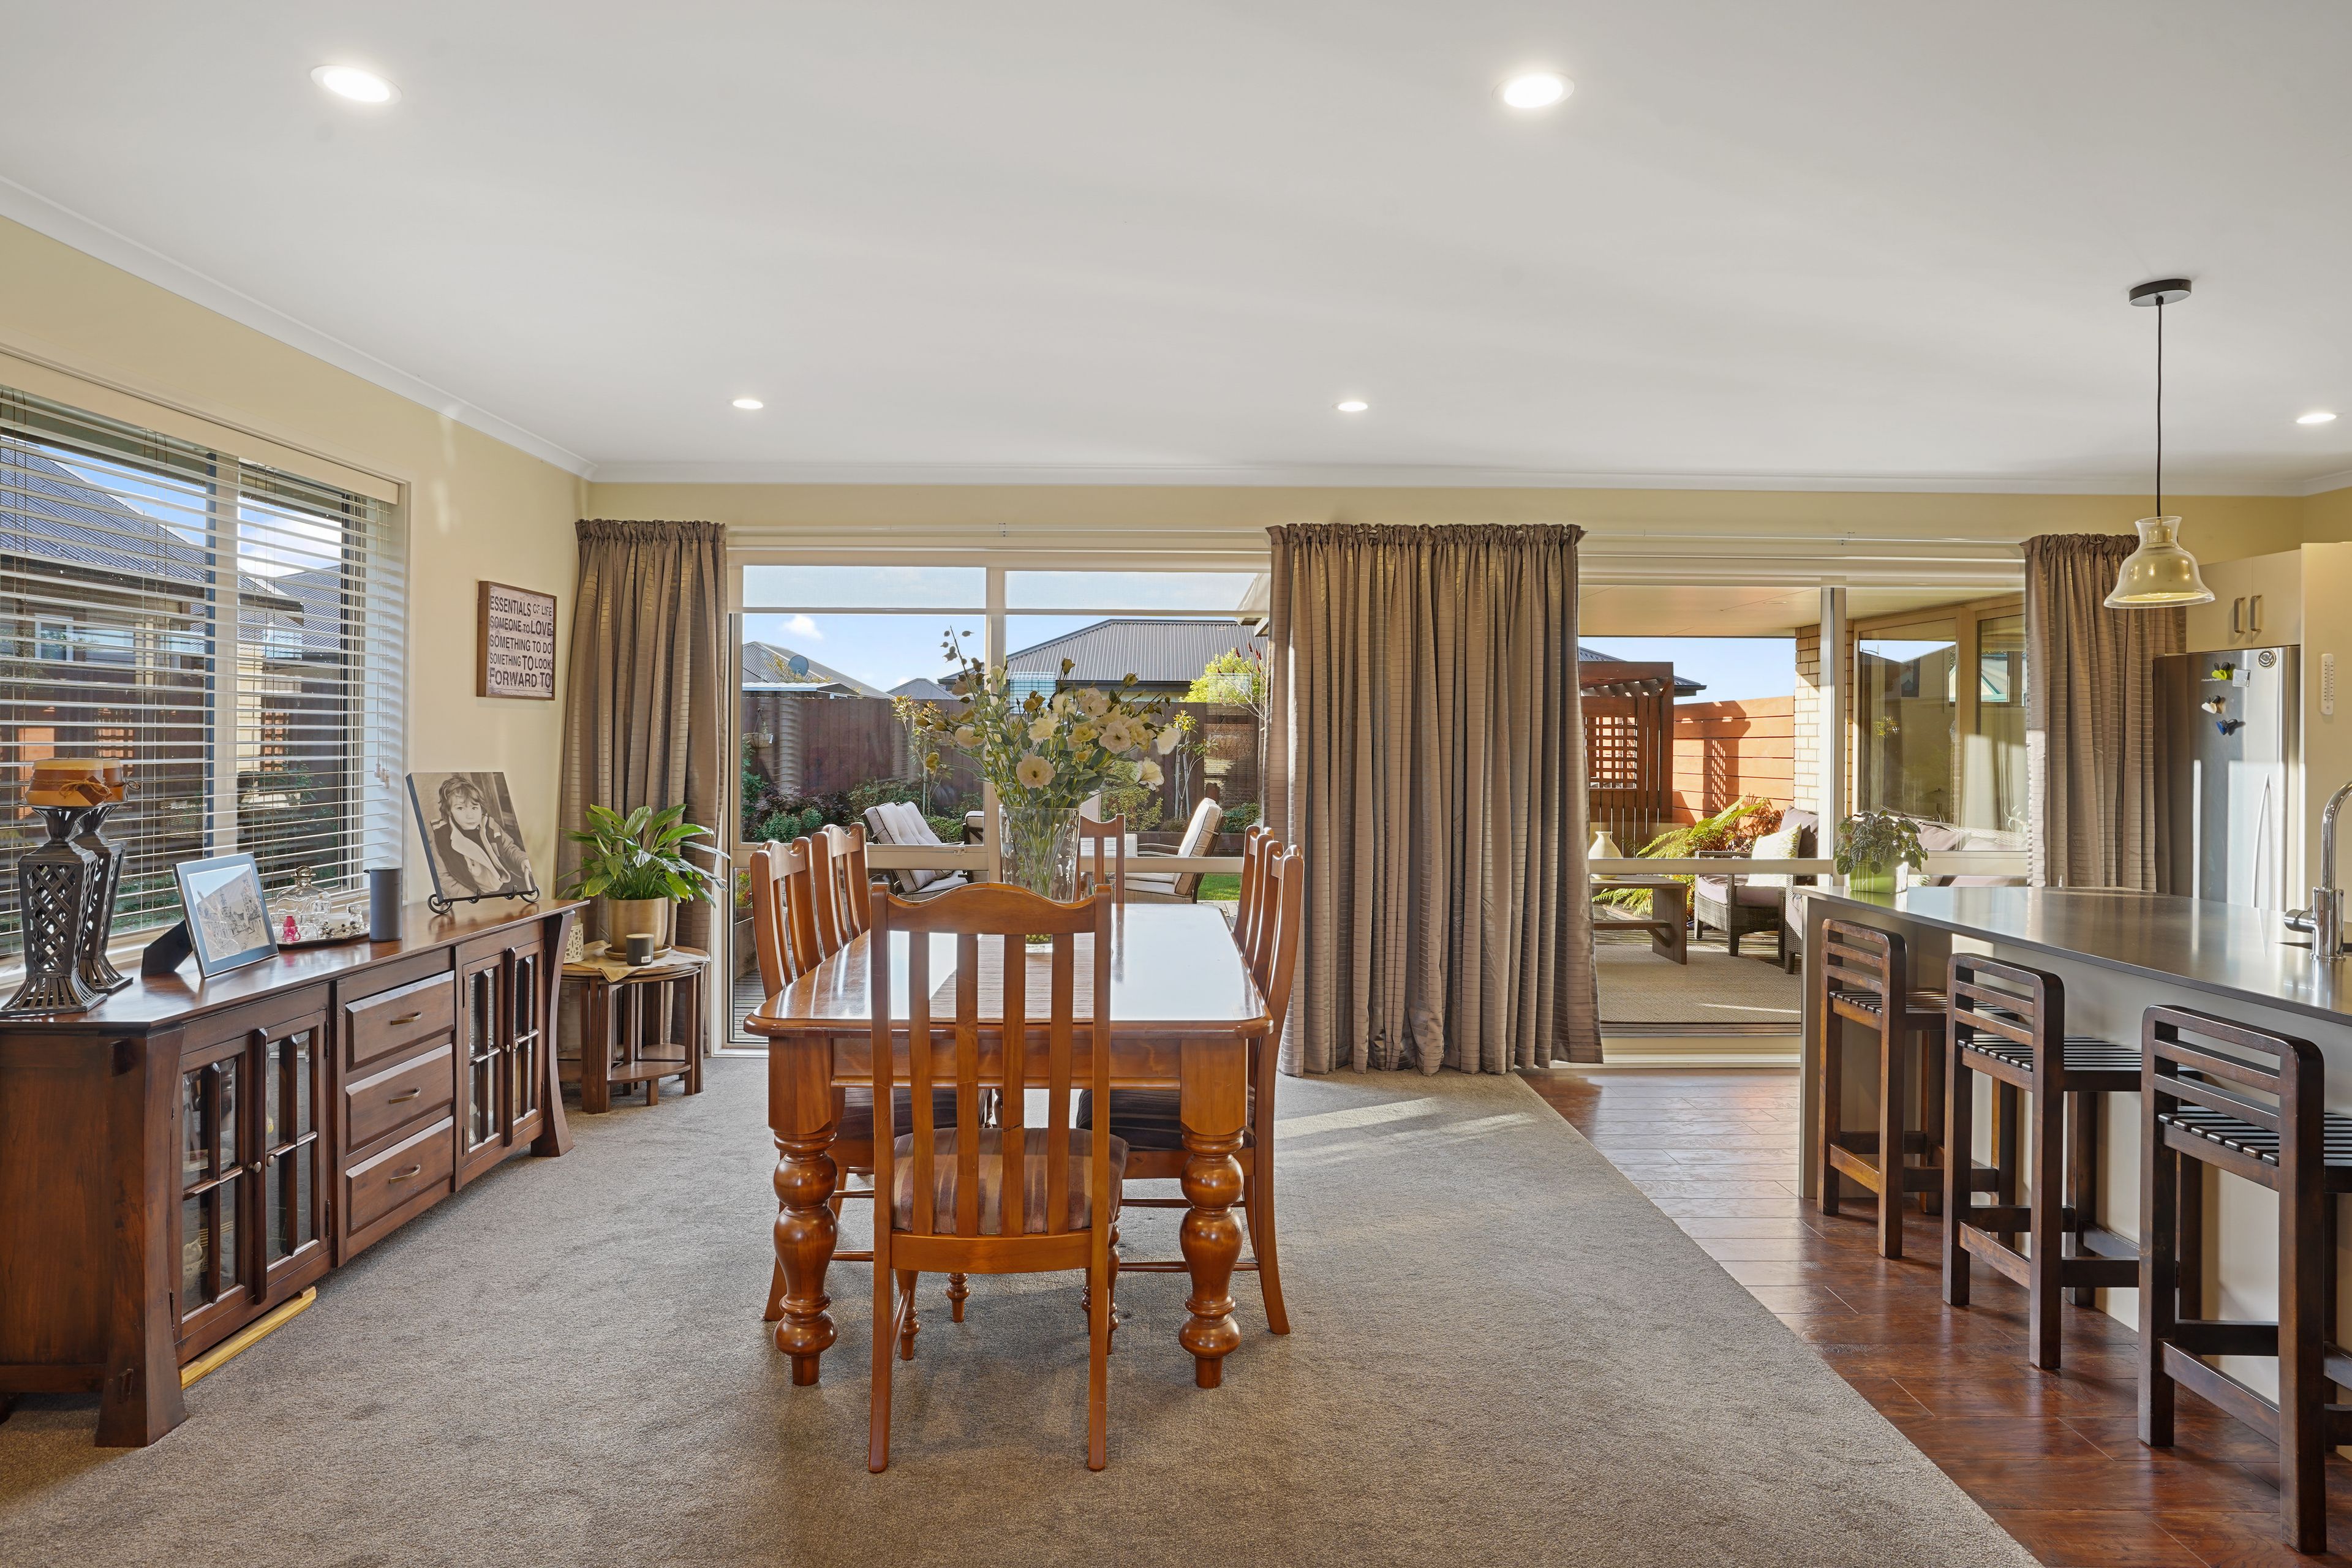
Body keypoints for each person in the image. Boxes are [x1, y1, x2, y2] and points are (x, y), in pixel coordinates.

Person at [432, 775, 531, 898]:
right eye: (460, 808)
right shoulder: (441, 839)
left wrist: (522, 859)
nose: (470, 816)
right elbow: (444, 878)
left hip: (508, 882)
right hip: (479, 895)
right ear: (449, 811)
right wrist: (472, 897)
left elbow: (509, 848)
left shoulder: (490, 825)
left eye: (474, 807)